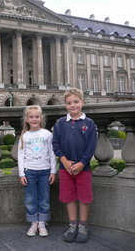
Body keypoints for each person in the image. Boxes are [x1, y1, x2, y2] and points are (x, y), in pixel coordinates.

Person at [52, 88, 97, 243]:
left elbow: (91, 146)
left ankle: (83, 226)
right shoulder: (60, 123)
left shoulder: (89, 123)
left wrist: (82, 162)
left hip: (83, 169)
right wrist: (63, 160)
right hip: (65, 169)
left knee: (84, 198)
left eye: (76, 102)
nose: (73, 105)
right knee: (69, 197)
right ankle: (72, 225)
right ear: (65, 105)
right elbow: (55, 144)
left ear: (82, 103)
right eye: (69, 103)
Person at [18, 105, 57, 237]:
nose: (34, 119)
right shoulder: (25, 135)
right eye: (31, 117)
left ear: (41, 118)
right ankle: (33, 222)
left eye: (37, 116)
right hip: (30, 172)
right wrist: (21, 174)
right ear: (27, 119)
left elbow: (52, 154)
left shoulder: (47, 134)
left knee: (44, 198)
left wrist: (53, 171)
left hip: (45, 171)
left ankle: (42, 222)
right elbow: (20, 156)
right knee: (30, 199)